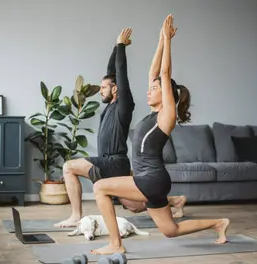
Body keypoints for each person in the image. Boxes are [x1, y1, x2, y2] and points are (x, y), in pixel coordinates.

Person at [90, 14, 230, 256]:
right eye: (151, 88)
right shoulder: (152, 113)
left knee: (101, 187)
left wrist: (168, 40)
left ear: (167, 95)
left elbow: (164, 75)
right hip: (151, 179)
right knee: (170, 230)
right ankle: (218, 223)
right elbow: (154, 72)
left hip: (150, 179)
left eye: (155, 89)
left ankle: (116, 244)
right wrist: (160, 41)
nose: (149, 91)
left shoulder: (167, 115)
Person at [54, 28, 187, 228]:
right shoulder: (108, 106)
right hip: (110, 163)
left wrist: (122, 46)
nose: (101, 91)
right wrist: (116, 48)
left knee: (68, 167)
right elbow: (112, 72)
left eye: (104, 88)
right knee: (134, 206)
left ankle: (75, 216)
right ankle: (174, 201)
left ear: (115, 89)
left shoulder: (124, 105)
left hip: (114, 162)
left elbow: (120, 74)